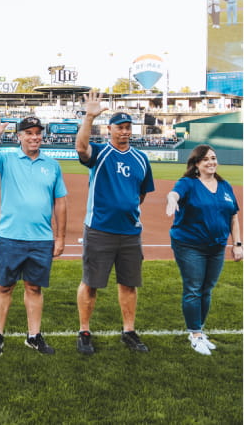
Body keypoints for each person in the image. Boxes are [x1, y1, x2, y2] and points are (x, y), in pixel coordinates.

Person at [0, 109, 67, 355]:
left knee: (34, 288)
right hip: (11, 236)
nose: (34, 137)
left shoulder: (53, 165)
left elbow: (60, 202)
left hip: (41, 238)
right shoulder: (7, 159)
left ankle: (34, 336)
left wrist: (60, 237)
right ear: (19, 137)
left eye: (38, 133)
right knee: (5, 286)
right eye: (29, 133)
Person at [75, 91, 154, 355]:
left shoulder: (141, 159)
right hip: (99, 229)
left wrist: (126, 208)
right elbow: (81, 148)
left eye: (128, 127)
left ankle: (128, 331)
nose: (124, 131)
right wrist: (89, 116)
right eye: (119, 127)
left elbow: (141, 194)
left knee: (129, 283)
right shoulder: (100, 153)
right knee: (91, 282)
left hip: (130, 232)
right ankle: (84, 331)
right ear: (109, 129)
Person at [166, 144, 242, 355]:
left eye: (214, 158)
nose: (211, 162)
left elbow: (233, 217)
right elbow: (174, 194)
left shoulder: (224, 186)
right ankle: (196, 335)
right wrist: (171, 200)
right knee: (193, 288)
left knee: (206, 290)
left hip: (216, 247)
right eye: (206, 159)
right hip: (189, 245)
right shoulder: (188, 183)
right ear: (197, 164)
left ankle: (199, 330)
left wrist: (237, 244)